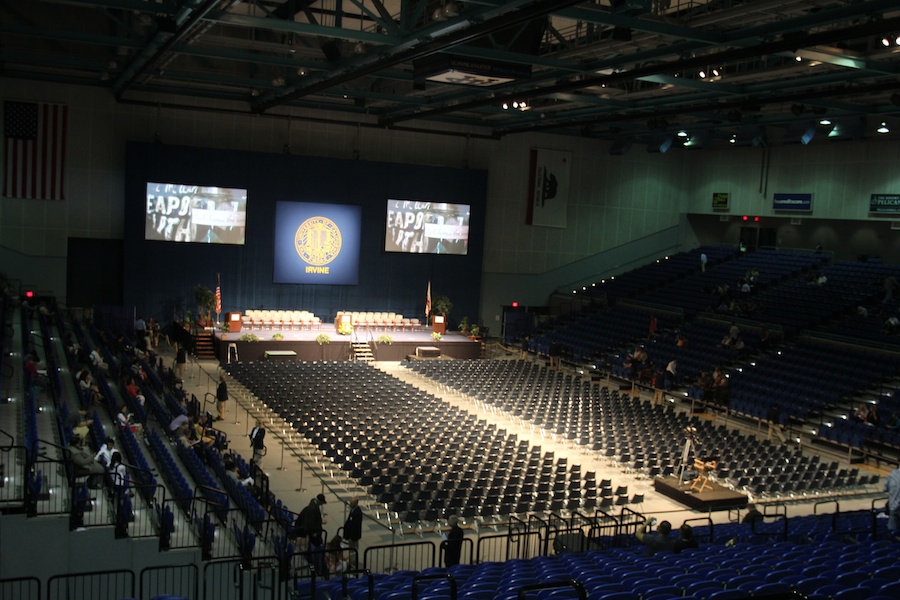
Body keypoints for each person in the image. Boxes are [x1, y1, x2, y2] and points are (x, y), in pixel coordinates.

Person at [343, 496, 363, 570]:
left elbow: (356, 526)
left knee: (353, 550)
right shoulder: (353, 510)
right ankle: (351, 563)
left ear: (356, 503)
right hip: (351, 534)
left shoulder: (357, 512)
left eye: (352, 503)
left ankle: (353, 564)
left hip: (354, 535)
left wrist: (351, 536)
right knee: (351, 549)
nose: (350, 504)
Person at [886, 466, 900, 537]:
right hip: (894, 507)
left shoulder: (892, 474)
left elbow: (886, 488)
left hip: (893, 507)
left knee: (892, 533)